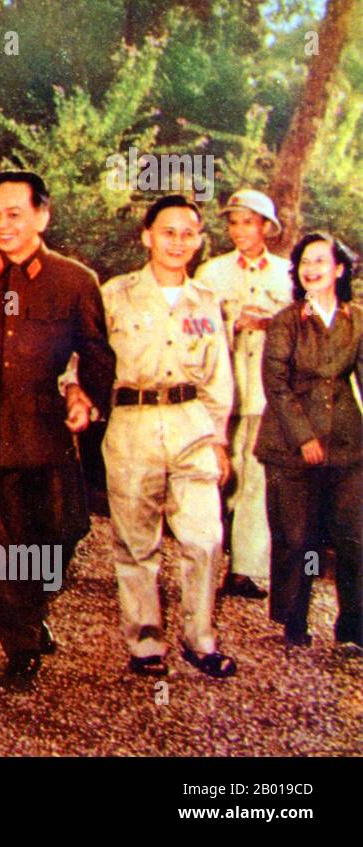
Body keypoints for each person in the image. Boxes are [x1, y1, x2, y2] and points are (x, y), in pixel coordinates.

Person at [0, 170, 116, 683]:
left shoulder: (75, 280)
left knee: (64, 530)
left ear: (42, 216)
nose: (1, 224)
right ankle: (20, 643)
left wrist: (86, 395)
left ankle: (34, 605)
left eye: (14, 213)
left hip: (46, 432)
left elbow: (96, 353)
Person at [101, 194, 237, 679]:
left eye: (187, 234)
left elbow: (220, 377)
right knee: (136, 542)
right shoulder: (115, 294)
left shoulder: (207, 301)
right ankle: (145, 644)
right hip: (132, 423)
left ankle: (200, 640)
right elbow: (83, 359)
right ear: (147, 236)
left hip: (190, 422)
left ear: (199, 241)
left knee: (204, 536)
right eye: (168, 232)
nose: (178, 242)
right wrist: (74, 392)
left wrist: (218, 439)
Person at [256, 232, 363, 651]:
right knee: (297, 537)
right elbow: (276, 385)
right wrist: (303, 438)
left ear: (339, 269)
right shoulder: (286, 321)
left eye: (321, 261)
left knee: (354, 535)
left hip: (347, 444)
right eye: (304, 262)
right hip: (288, 443)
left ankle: (353, 625)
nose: (312, 269)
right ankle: (294, 620)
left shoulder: (357, 320)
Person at [195, 189, 293, 601]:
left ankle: (246, 569)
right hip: (220, 392)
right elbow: (195, 328)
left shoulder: (288, 274)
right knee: (211, 476)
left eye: (249, 222)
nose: (240, 231)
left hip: (265, 395)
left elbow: (301, 329)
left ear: (267, 228)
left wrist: (274, 325)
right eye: (233, 222)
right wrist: (233, 322)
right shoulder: (210, 273)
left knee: (255, 478)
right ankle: (203, 565)